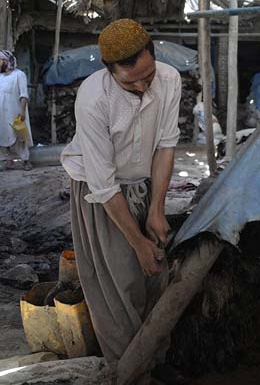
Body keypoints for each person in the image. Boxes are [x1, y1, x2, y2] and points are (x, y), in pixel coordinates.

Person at [60, 19, 182, 381]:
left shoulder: (170, 79)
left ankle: (156, 361)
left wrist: (156, 210)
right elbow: (103, 183)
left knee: (156, 274)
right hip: (100, 195)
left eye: (148, 75)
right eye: (131, 81)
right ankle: (128, 370)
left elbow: (165, 146)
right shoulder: (93, 97)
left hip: (145, 184)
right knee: (119, 283)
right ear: (109, 70)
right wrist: (137, 242)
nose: (144, 86)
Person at [0, 50, 33, 171]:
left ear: (6, 61)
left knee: (19, 137)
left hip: (15, 112)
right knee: (3, 137)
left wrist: (22, 111)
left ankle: (25, 160)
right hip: (2, 114)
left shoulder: (19, 74)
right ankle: (9, 161)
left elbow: (23, 95)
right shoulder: (0, 77)